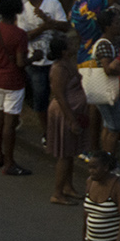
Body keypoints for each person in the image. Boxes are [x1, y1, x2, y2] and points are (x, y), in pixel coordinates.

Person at [46, 35, 88, 203]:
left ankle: (68, 186)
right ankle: (57, 192)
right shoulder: (59, 69)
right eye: (70, 45)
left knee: (70, 152)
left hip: (73, 110)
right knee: (64, 154)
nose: (74, 46)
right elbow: (60, 95)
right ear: (63, 51)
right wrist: (71, 119)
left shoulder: (67, 64)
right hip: (65, 113)